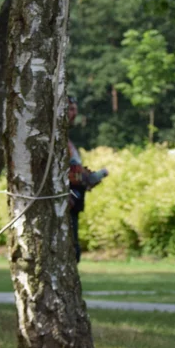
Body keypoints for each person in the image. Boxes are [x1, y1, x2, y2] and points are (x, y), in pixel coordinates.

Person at [67, 96, 108, 263]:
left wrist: (88, 178)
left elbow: (73, 171)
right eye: (70, 109)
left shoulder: (67, 141)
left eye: (75, 109)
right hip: (64, 203)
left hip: (74, 202)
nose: (74, 113)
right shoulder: (56, 140)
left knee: (73, 250)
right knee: (70, 250)